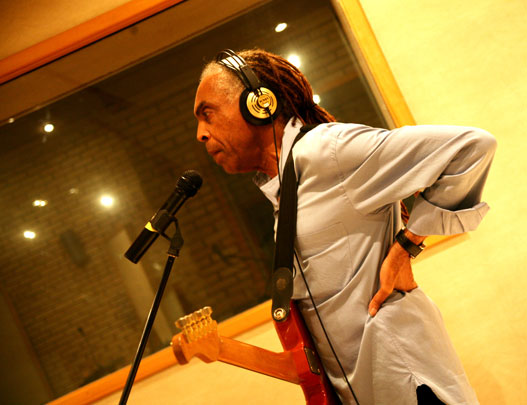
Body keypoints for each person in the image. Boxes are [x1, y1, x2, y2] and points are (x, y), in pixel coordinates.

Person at [193, 48, 496, 404]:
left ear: (259, 104)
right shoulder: (285, 191)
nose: (200, 134)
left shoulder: (327, 151)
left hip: (413, 388)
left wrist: (407, 246)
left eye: (207, 114)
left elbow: (472, 147)